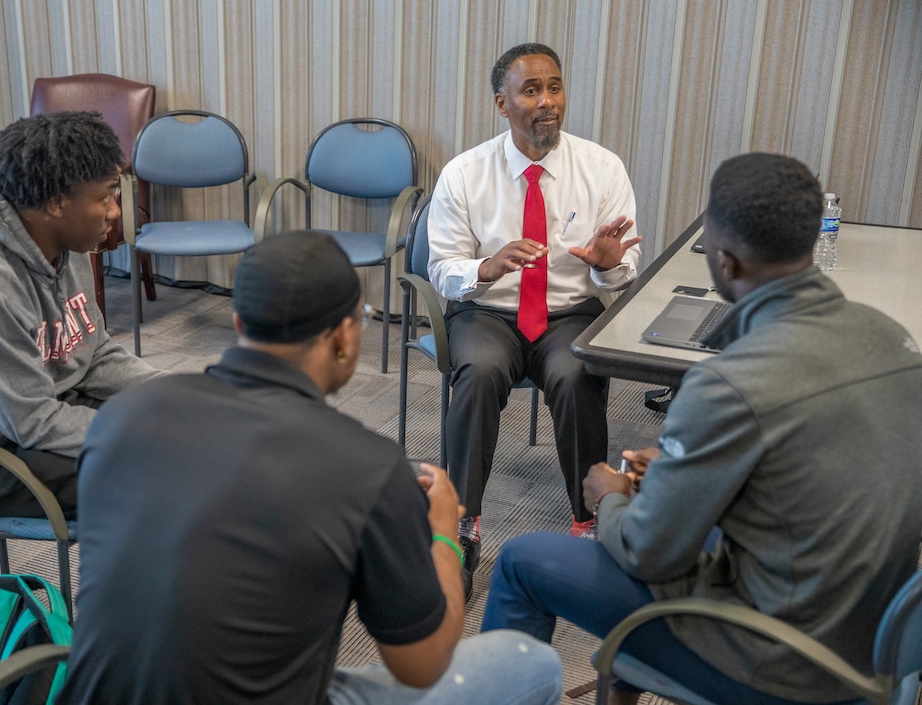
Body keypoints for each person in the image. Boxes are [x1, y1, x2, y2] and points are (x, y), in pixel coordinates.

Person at [481, 152, 922, 704]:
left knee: (522, 561)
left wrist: (611, 499)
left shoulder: (727, 383)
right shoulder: (895, 338)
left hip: (783, 663)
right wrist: (677, 473)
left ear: (725, 262)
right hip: (879, 642)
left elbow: (648, 553)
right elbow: (813, 459)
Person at [59, 232, 564, 705]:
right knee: (532, 664)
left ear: (239, 323)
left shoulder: (121, 417)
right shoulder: (367, 467)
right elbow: (422, 664)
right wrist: (444, 535)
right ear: (345, 337)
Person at [427, 42, 642, 595]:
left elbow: (624, 271)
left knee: (577, 375)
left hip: (569, 312)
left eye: (554, 87)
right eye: (530, 91)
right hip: (488, 312)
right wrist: (485, 265)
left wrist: (609, 268)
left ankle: (589, 520)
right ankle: (461, 525)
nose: (547, 102)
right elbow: (442, 267)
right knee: (477, 374)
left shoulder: (602, 168)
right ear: (502, 105)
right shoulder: (465, 173)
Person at [0, 111, 158, 520]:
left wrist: (176, 394)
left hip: (40, 407)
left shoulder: (62, 245)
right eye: (106, 196)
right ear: (55, 203)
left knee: (184, 431)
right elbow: (33, 423)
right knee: (160, 473)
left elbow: (95, 355)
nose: (114, 212)